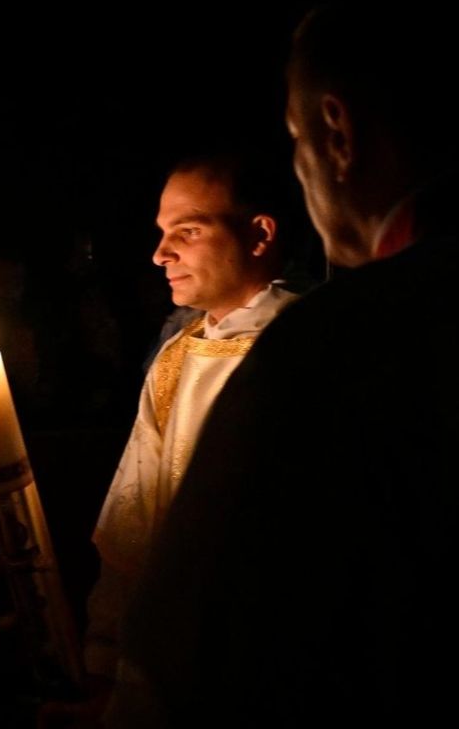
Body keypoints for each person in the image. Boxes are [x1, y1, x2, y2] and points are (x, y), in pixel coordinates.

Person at [110, 0, 459, 726]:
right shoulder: (193, 357)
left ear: (337, 131)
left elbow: (195, 648)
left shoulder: (325, 347)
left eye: (298, 138)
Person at [81, 152, 302, 701]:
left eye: (189, 230)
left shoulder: (312, 348)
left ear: (259, 235)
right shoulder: (177, 358)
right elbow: (132, 528)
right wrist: (103, 661)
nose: (160, 254)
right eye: (161, 233)